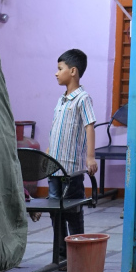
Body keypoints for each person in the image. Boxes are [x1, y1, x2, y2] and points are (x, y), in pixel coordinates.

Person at [47, 47, 97, 235]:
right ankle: (60, 256)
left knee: (73, 212)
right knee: (54, 212)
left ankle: (77, 253)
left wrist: (90, 157)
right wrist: (50, 149)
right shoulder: (61, 100)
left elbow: (89, 126)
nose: (56, 73)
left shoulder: (83, 99)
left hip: (71, 171)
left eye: (60, 68)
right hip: (54, 168)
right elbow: (57, 129)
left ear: (73, 71)